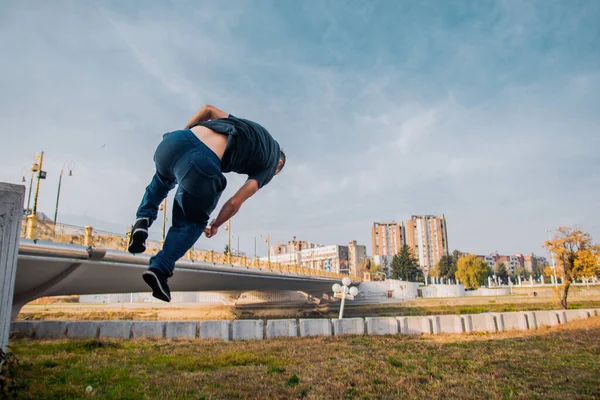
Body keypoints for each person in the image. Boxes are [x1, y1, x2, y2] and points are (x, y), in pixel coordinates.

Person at [127, 105, 285, 302]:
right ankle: (160, 268)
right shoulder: (271, 164)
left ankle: (143, 219)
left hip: (175, 141)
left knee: (162, 178)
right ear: (279, 165)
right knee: (192, 221)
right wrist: (216, 224)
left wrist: (183, 135)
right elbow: (235, 201)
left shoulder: (249, 128)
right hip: (201, 163)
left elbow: (208, 110)